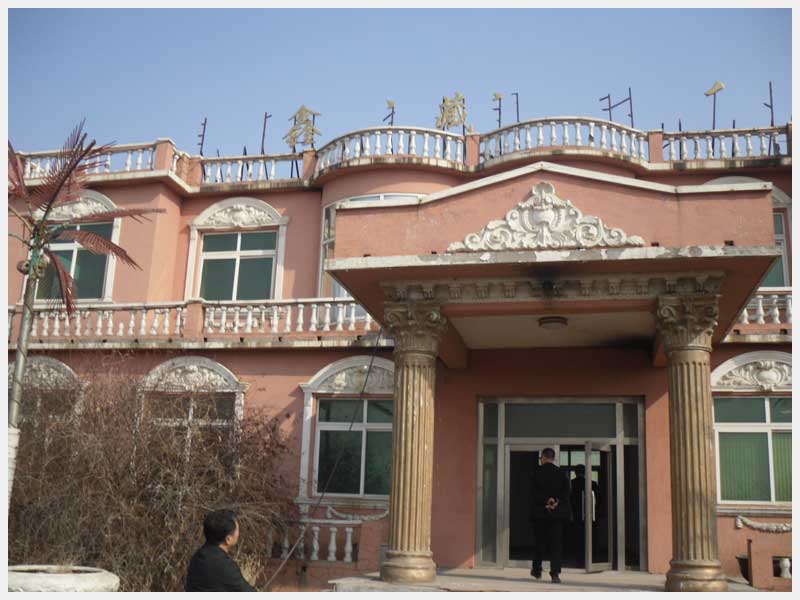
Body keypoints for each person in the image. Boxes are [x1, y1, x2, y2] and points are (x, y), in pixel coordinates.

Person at [186, 509, 258, 592]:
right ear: (228, 539)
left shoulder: (197, 557)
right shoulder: (224, 565)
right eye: (237, 530)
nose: (239, 533)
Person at [530, 448, 570, 584]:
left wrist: (545, 501)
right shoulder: (561, 473)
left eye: (541, 458)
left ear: (543, 457)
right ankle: (555, 574)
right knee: (556, 545)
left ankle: (537, 570)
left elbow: (533, 492)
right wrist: (556, 501)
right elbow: (566, 492)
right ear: (553, 458)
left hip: (540, 513)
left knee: (539, 543)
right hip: (556, 515)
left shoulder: (536, 472)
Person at [569, 464, 599, 568]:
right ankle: (590, 559)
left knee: (577, 539)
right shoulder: (592, 484)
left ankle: (579, 561)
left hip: (575, 515)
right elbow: (599, 500)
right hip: (590, 515)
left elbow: (568, 499)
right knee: (590, 538)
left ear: (575, 472)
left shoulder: (571, 484)